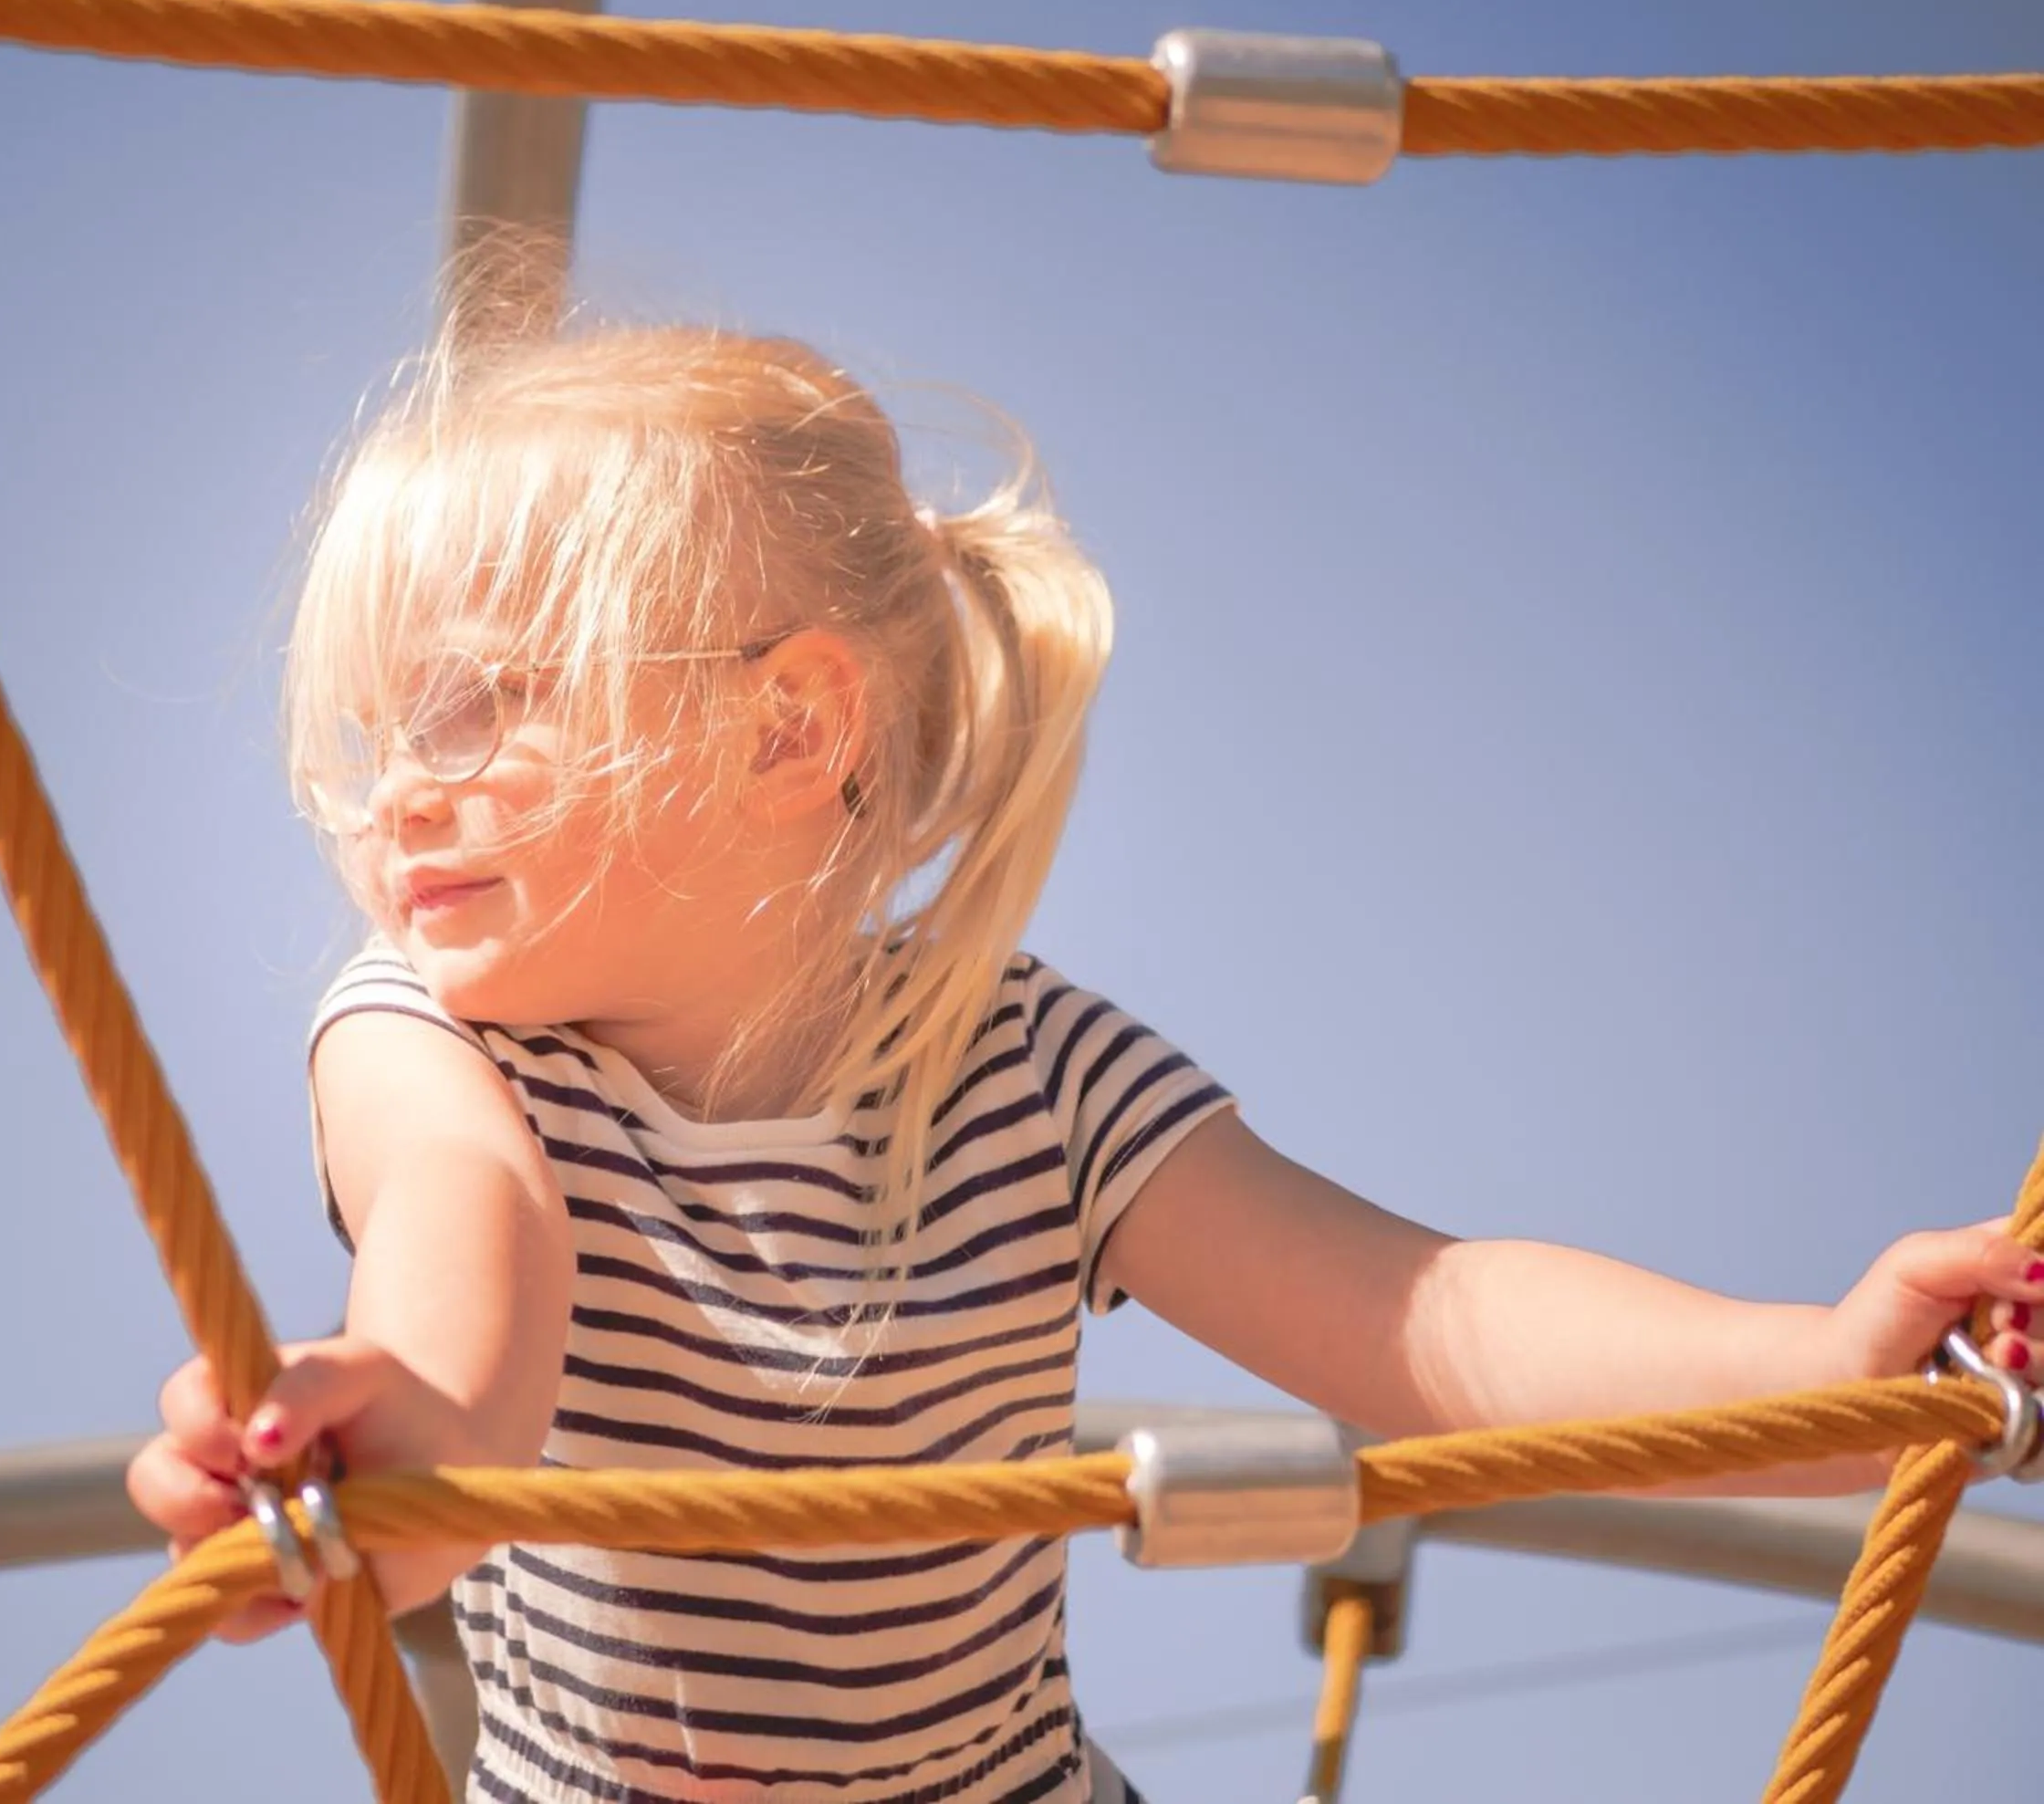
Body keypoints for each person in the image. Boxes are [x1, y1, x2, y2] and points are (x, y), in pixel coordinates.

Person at [128, 314, 2040, 1804]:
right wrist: (401, 1446)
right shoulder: (429, 1040)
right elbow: (472, 1242)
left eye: (481, 702)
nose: (405, 791)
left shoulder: (1020, 1072)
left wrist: (1824, 1383)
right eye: (378, 730)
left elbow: (1420, 1319)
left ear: (788, 731)